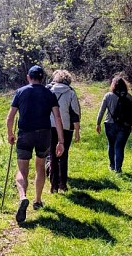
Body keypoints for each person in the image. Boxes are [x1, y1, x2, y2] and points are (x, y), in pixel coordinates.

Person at [6, 65, 65, 224]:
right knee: (40, 167)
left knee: (22, 170)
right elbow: (58, 118)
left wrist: (10, 134)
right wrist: (61, 141)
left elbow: (10, 117)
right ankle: (37, 200)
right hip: (44, 134)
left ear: (28, 77)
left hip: (25, 133)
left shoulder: (20, 92)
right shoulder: (49, 93)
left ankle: (23, 196)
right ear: (42, 78)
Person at [47, 70, 81, 193]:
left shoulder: (49, 90)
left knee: (52, 156)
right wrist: (77, 131)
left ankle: (53, 186)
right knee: (64, 155)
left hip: (50, 126)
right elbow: (75, 113)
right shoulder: (71, 92)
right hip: (66, 127)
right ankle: (63, 184)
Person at [96, 76, 132, 173]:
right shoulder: (128, 96)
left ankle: (112, 166)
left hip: (109, 124)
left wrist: (98, 123)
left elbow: (101, 111)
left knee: (111, 145)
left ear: (113, 85)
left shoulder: (108, 96)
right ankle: (118, 169)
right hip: (125, 126)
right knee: (119, 147)